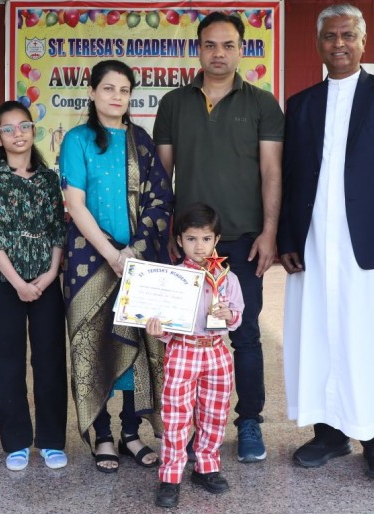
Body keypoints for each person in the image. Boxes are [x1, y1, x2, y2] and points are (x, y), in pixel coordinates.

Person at [278, 4, 374, 480]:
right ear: (318, 43)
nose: (338, 44)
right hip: (315, 244)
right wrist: (288, 237)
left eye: (348, 35)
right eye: (330, 36)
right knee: (319, 333)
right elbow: (290, 177)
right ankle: (329, 435)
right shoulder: (301, 104)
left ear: (364, 42)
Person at [154, 11, 283, 463]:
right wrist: (167, 233)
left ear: (242, 49)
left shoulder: (262, 103)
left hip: (243, 239)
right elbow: (162, 174)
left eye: (228, 45)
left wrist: (270, 232)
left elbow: (271, 171)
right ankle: (188, 425)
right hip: (188, 243)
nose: (219, 53)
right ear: (198, 49)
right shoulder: (174, 103)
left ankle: (249, 421)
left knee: (243, 333)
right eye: (210, 45)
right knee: (184, 335)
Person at [60, 59, 173, 473]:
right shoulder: (77, 140)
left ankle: (130, 432)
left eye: (124, 90)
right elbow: (75, 204)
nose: (116, 97)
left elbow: (160, 198)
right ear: (92, 92)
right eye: (108, 88)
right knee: (94, 346)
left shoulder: (140, 141)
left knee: (138, 345)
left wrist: (135, 251)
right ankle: (102, 434)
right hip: (90, 260)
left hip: (139, 260)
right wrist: (113, 255)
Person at [0, 100, 68, 471]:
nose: (18, 133)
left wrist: (50, 273)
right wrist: (18, 283)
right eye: (8, 128)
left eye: (24, 126)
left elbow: (57, 230)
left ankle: (51, 441)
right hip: (5, 284)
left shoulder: (48, 179)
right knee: (9, 362)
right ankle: (16, 442)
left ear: (33, 130)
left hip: (46, 283)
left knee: (50, 360)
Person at [146, 203, 244, 509]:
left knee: (214, 414)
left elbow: (238, 315)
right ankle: (171, 475)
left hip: (216, 353)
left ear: (217, 240)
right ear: (179, 240)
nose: (199, 246)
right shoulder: (172, 279)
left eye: (205, 238)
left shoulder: (227, 278)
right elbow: (165, 321)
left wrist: (230, 315)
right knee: (175, 417)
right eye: (191, 238)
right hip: (183, 352)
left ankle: (206, 467)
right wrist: (158, 330)